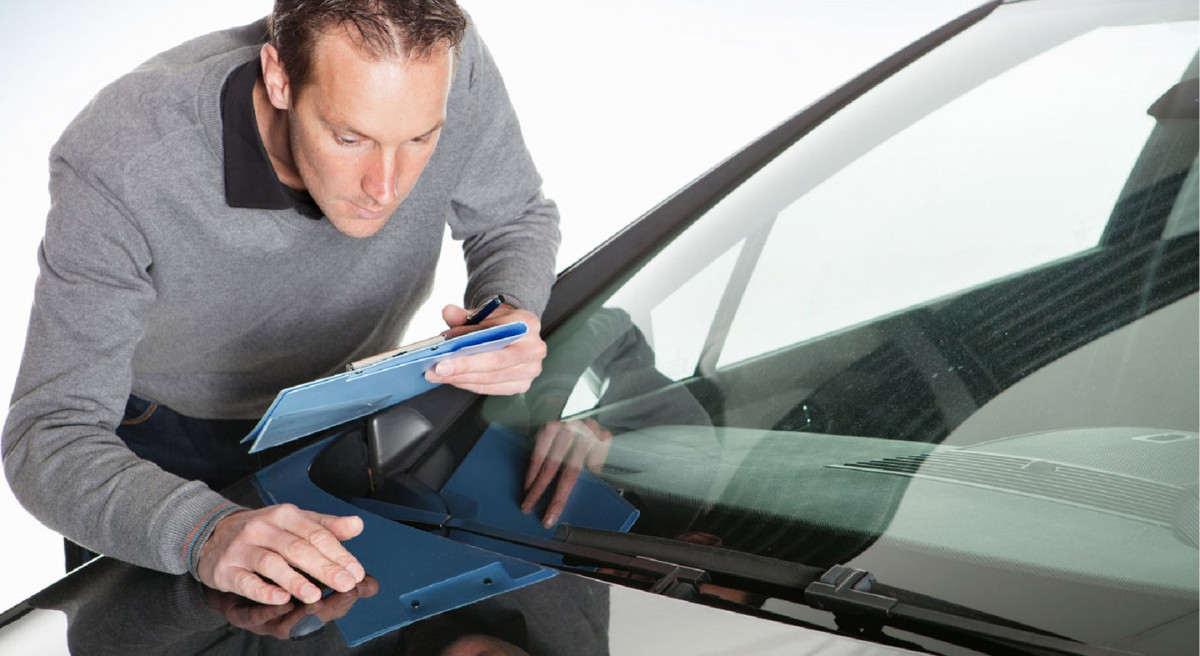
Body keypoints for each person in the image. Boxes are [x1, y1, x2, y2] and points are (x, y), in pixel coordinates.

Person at [1, 0, 559, 608]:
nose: (386, 187)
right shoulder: (124, 154)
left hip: (350, 412)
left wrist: (507, 315)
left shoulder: (446, 63)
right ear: (278, 78)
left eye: (421, 138)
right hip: (159, 447)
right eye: (350, 138)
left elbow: (514, 219)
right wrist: (203, 531)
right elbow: (49, 435)